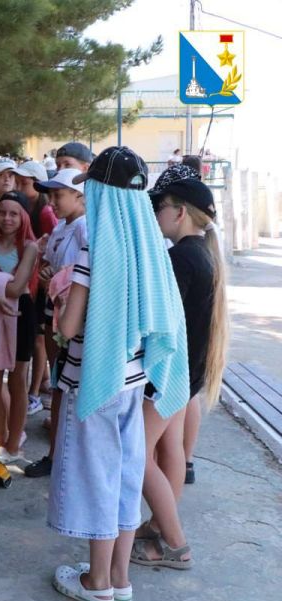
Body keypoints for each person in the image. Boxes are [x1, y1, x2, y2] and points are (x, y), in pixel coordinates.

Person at [48, 146, 189, 601]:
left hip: (95, 380)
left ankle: (96, 581)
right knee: (127, 477)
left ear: (99, 190)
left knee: (97, 480)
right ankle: (121, 579)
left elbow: (70, 328)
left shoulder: (96, 242)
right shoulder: (151, 243)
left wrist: (58, 313)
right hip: (135, 380)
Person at [131, 176, 228, 569]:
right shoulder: (200, 254)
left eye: (159, 208)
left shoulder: (181, 258)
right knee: (169, 449)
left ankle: (175, 543)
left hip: (171, 373)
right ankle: (158, 525)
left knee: (135, 454)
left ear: (180, 212)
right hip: (187, 373)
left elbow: (156, 321)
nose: (156, 215)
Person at [23, 168, 87, 478]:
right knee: (61, 382)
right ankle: (56, 454)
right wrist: (49, 272)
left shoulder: (86, 228)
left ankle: (66, 456)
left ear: (80, 196)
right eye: (50, 195)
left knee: (70, 386)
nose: (52, 202)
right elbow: (52, 263)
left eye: (58, 195)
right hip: (55, 311)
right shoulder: (62, 227)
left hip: (75, 320)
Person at [0, 191, 39, 462]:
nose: (6, 218)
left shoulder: (29, 247)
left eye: (14, 213)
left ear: (24, 216)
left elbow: (16, 289)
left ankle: (14, 444)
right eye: (2, 212)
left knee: (17, 379)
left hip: (21, 314)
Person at [14, 160, 59, 415]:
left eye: (25, 182)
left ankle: (34, 393)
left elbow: (51, 244)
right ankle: (40, 384)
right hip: (34, 280)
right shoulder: (29, 206)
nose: (21, 185)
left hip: (42, 283)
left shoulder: (44, 212)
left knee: (40, 340)